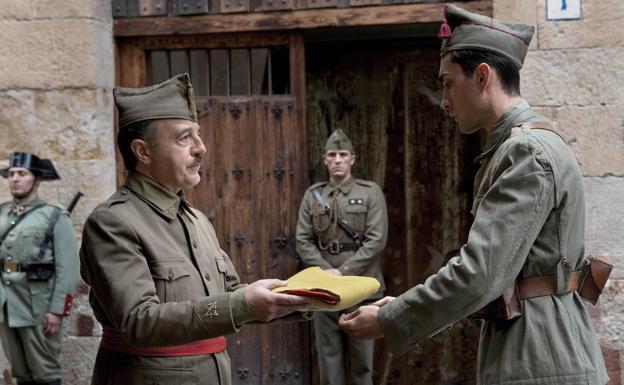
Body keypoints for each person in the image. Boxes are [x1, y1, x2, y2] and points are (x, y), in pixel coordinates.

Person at [338, 5, 609, 385]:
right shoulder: (522, 146)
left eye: (448, 83)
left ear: (482, 76)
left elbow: (480, 274)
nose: (444, 100)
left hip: (539, 355)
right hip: (537, 345)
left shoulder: (526, 152)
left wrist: (390, 319)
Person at [79, 73, 308, 385]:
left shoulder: (197, 219)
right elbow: (139, 321)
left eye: (197, 136)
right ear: (143, 151)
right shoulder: (112, 222)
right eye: (184, 138)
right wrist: (242, 305)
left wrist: (304, 297)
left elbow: (229, 297)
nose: (201, 148)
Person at [296, 129, 388, 385]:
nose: (337, 159)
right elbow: (303, 241)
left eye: (343, 154)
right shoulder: (313, 196)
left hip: (362, 288)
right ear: (325, 159)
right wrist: (326, 272)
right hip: (323, 290)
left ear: (352, 159)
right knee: (329, 362)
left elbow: (376, 240)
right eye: (332, 155)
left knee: (363, 365)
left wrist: (343, 273)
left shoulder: (370, 193)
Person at [0, 152, 79, 385]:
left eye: (22, 174)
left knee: (45, 372)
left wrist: (57, 310)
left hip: (37, 305)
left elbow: (68, 268)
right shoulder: (1, 214)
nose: (15, 178)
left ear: (37, 179)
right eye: (12, 174)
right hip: (7, 305)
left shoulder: (54, 216)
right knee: (20, 372)